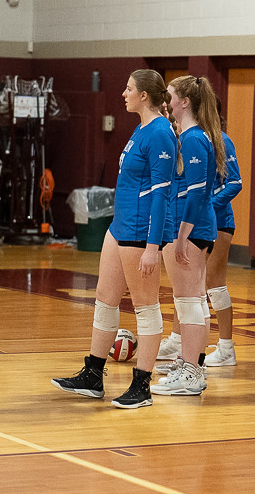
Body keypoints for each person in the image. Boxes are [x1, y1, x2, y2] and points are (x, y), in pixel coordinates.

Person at [51, 70, 175, 408]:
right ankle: (93, 374)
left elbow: (163, 196)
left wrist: (153, 246)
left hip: (139, 232)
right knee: (105, 299)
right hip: (119, 227)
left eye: (129, 88)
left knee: (146, 308)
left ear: (145, 96)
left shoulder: (162, 133)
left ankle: (142, 385)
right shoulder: (140, 128)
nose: (124, 93)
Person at [151, 75, 227, 395]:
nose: (166, 102)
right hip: (195, 226)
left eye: (169, 96)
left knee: (188, 303)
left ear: (184, 102)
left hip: (191, 227)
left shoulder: (195, 138)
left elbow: (196, 194)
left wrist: (181, 236)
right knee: (194, 300)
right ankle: (190, 365)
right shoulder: (193, 135)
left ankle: (191, 373)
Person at [203, 101, 242, 366]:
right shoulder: (189, 138)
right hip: (193, 223)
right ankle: (178, 341)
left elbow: (234, 183)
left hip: (218, 222)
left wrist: (206, 206)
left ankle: (226, 347)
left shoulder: (223, 141)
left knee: (214, 285)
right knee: (189, 287)